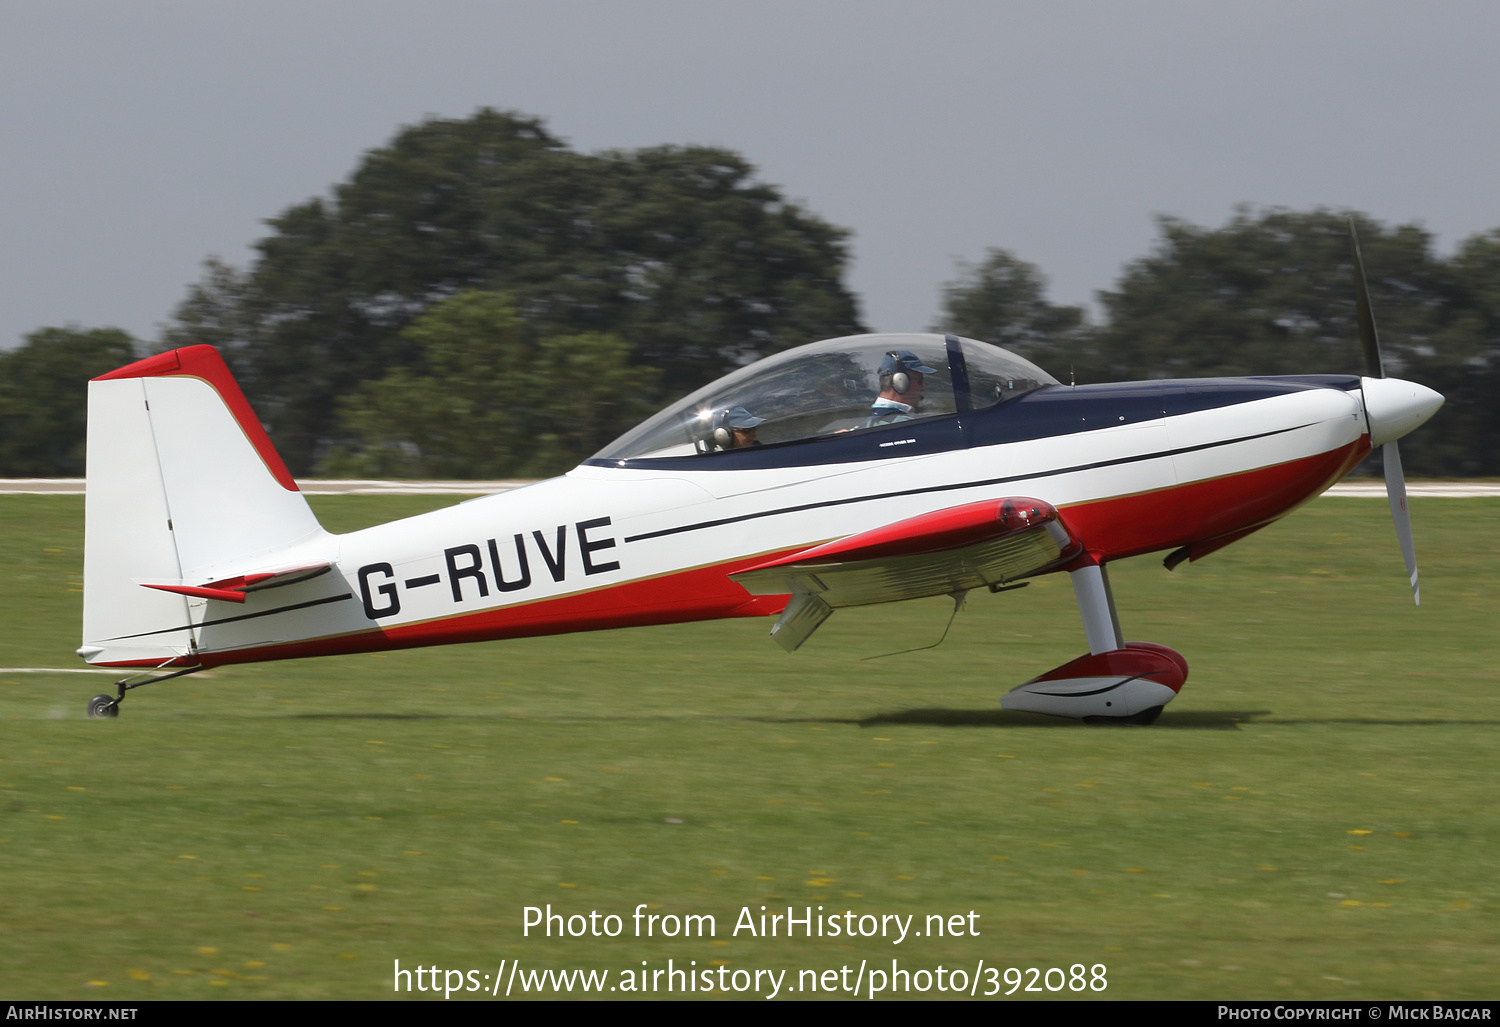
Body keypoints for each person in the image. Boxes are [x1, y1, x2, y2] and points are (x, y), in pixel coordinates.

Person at [862, 350, 936, 428]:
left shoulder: (864, 425)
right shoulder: (906, 426)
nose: (923, 388)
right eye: (919, 381)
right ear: (900, 381)